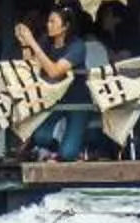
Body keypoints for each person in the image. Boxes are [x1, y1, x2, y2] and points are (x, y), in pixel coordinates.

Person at [15, 9, 88, 161]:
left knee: (68, 154)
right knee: (41, 137)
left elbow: (55, 72)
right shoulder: (45, 41)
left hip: (77, 102)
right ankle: (53, 148)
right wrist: (25, 44)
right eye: (48, 21)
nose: (48, 25)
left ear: (65, 26)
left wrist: (33, 43)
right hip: (53, 99)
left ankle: (68, 151)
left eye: (53, 22)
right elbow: (30, 67)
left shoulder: (77, 46)